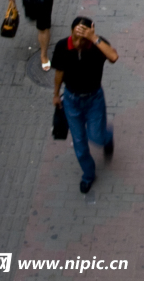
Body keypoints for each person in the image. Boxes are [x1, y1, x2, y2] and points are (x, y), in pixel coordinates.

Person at [52, 17, 118, 192]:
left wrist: (93, 38)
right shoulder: (62, 46)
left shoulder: (98, 45)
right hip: (71, 101)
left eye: (83, 38)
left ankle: (107, 137)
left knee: (96, 136)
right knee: (80, 144)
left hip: (94, 99)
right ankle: (88, 175)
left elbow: (113, 56)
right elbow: (59, 71)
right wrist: (56, 94)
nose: (78, 42)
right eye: (75, 36)